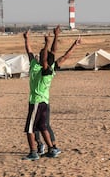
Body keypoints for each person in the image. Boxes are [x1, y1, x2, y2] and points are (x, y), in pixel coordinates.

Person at [22, 27, 81, 161]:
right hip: (45, 103)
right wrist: (27, 39)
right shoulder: (45, 68)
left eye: (43, 54)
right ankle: (52, 149)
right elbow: (63, 55)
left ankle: (33, 152)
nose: (42, 55)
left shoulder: (43, 70)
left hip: (36, 102)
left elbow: (43, 56)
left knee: (30, 129)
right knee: (43, 127)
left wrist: (47, 43)